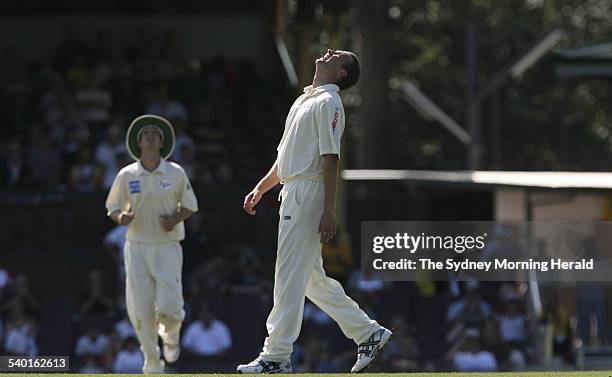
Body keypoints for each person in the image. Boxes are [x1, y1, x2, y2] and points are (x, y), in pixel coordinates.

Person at [238, 49, 392, 374]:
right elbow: (284, 160)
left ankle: (276, 356)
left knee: (289, 277)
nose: (329, 52)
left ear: (341, 73)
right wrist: (260, 188)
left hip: (308, 193)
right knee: (310, 279)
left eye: (339, 56)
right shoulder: (303, 101)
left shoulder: (329, 103)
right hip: (292, 190)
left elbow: (330, 158)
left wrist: (329, 211)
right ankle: (368, 333)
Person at [105, 114, 198, 373]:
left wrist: (176, 218)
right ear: (138, 143)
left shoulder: (175, 172)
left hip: (167, 246)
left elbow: (190, 206)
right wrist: (121, 217)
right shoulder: (126, 175)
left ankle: (170, 337)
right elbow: (112, 206)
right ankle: (152, 360)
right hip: (136, 247)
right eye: (145, 133)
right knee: (141, 308)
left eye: (155, 133)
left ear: (161, 142)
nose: (150, 136)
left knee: (170, 307)